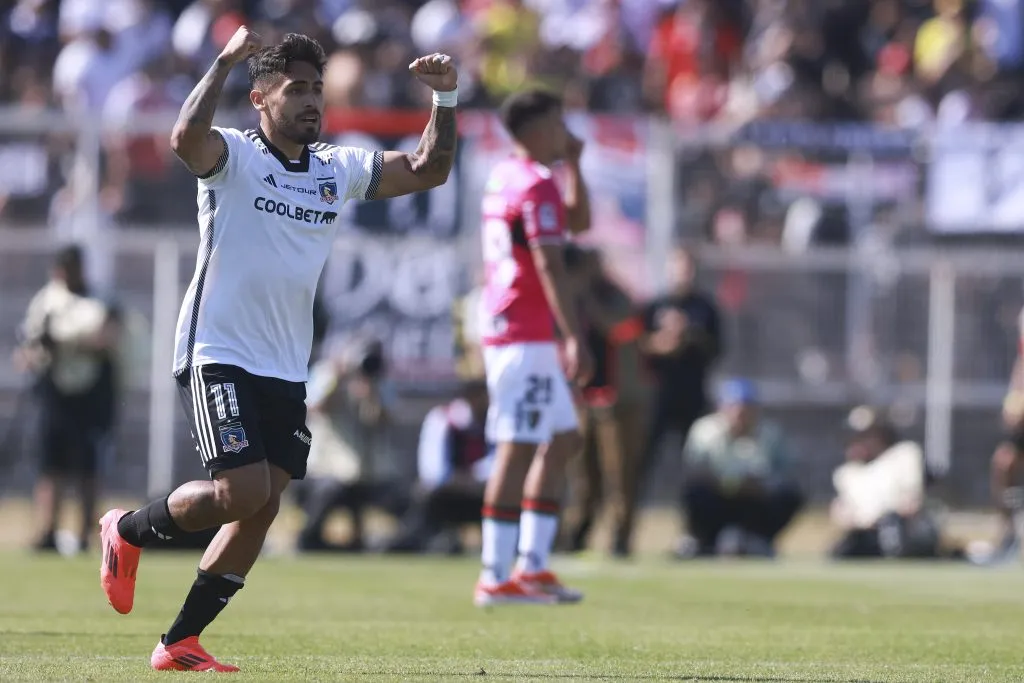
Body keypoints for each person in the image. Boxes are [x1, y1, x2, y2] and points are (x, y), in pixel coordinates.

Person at [96, 28, 458, 672]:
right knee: (240, 491)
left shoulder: (333, 168)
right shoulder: (234, 155)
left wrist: (446, 100)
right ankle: (125, 531)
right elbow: (184, 141)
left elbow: (429, 169)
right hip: (218, 349)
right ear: (261, 97)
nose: (313, 100)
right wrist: (222, 64)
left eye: (318, 88)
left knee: (262, 505)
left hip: (286, 365)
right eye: (298, 89)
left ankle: (179, 641)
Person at [474, 88, 593, 606]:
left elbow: (578, 224)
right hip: (524, 334)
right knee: (518, 447)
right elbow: (550, 263)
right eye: (558, 122)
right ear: (538, 129)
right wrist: (574, 336)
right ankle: (496, 576)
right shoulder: (537, 183)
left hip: (511, 329)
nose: (565, 131)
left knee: (565, 438)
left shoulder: (506, 175)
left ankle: (533, 567)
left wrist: (575, 166)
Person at [14, 245, 120, 554]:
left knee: (89, 464)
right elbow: (30, 344)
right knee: (51, 464)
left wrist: (65, 341)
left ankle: (87, 533)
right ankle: (47, 530)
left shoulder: (102, 299)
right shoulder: (48, 301)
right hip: (55, 391)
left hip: (92, 391)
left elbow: (107, 338)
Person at [559, 245, 648, 558]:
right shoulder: (569, 301)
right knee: (582, 474)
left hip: (619, 399)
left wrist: (587, 300)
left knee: (619, 474)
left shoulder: (615, 295)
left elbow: (620, 329)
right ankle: (578, 531)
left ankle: (620, 538)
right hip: (583, 399)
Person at [296, 339, 406, 553]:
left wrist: (370, 391)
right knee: (331, 490)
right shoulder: (327, 373)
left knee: (402, 500)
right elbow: (315, 407)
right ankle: (309, 538)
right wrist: (338, 378)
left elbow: (383, 420)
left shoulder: (378, 381)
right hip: (323, 469)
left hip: (367, 472)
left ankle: (373, 543)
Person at [678, 379, 802, 558]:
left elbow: (784, 473)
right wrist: (729, 484)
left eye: (746, 409)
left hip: (755, 501)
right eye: (734, 408)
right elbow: (695, 470)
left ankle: (759, 539)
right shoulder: (705, 431)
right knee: (695, 493)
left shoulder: (770, 434)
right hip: (716, 497)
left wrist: (761, 485)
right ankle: (704, 539)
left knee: (788, 495)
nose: (740, 415)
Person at [638, 246, 723, 492]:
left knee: (697, 461)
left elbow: (716, 348)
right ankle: (628, 518)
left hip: (692, 394)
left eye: (688, 268)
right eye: (679, 267)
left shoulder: (705, 308)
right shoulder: (655, 306)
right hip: (657, 395)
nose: (683, 273)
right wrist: (662, 344)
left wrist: (688, 335)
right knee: (642, 459)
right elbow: (638, 345)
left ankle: (696, 522)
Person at [384, 380, 493, 554]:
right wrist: (465, 479)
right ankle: (429, 540)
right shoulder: (442, 419)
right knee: (427, 496)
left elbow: (499, 464)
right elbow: (434, 473)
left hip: (481, 494)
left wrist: (476, 478)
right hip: (447, 496)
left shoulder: (494, 421)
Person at [829, 406, 940, 560]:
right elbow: (842, 510)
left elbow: (912, 501)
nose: (858, 443)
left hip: (900, 529)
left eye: (865, 437)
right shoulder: (846, 473)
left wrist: (885, 517)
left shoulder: (904, 454)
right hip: (864, 534)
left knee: (893, 535)